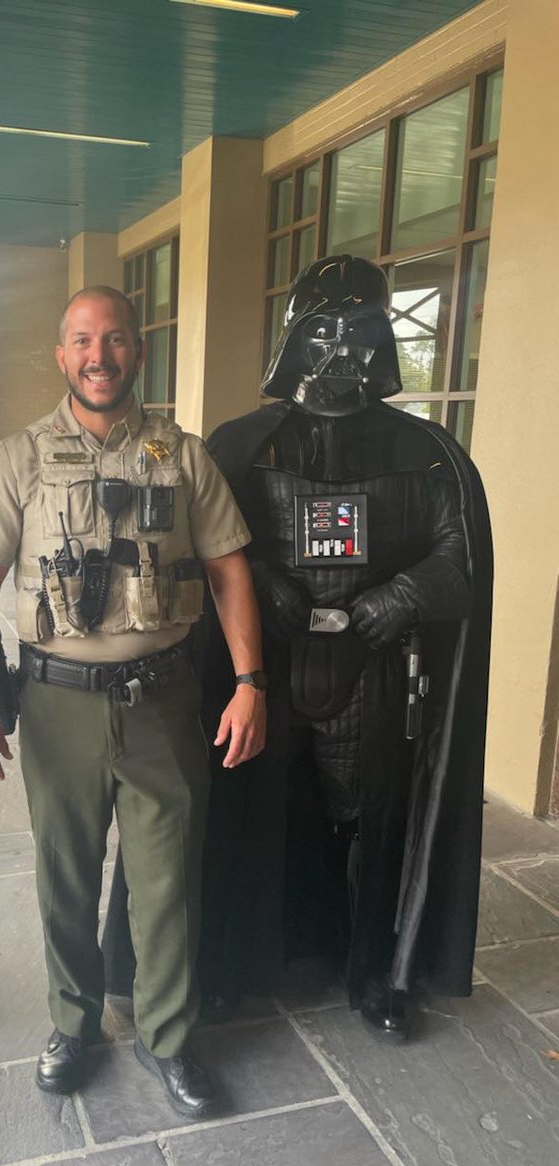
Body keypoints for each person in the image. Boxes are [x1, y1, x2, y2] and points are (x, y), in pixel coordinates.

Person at [0, 285, 265, 1118]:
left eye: (116, 338)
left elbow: (232, 569)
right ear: (62, 356)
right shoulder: (19, 458)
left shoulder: (181, 455)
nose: (100, 355)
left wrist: (250, 682)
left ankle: (169, 1039)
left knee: (168, 882)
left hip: (164, 701)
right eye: (84, 341)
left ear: (138, 349)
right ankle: (72, 1025)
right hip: (57, 703)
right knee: (65, 875)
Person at [204, 255, 492, 1036]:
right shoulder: (242, 446)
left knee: (372, 823)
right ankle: (238, 961)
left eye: (361, 332)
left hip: (374, 670)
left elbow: (457, 557)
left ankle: (375, 973)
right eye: (323, 331)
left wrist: (401, 597)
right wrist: (263, 584)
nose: (341, 351)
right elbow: (207, 549)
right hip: (268, 668)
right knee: (255, 808)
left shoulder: (426, 455)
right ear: (295, 337)